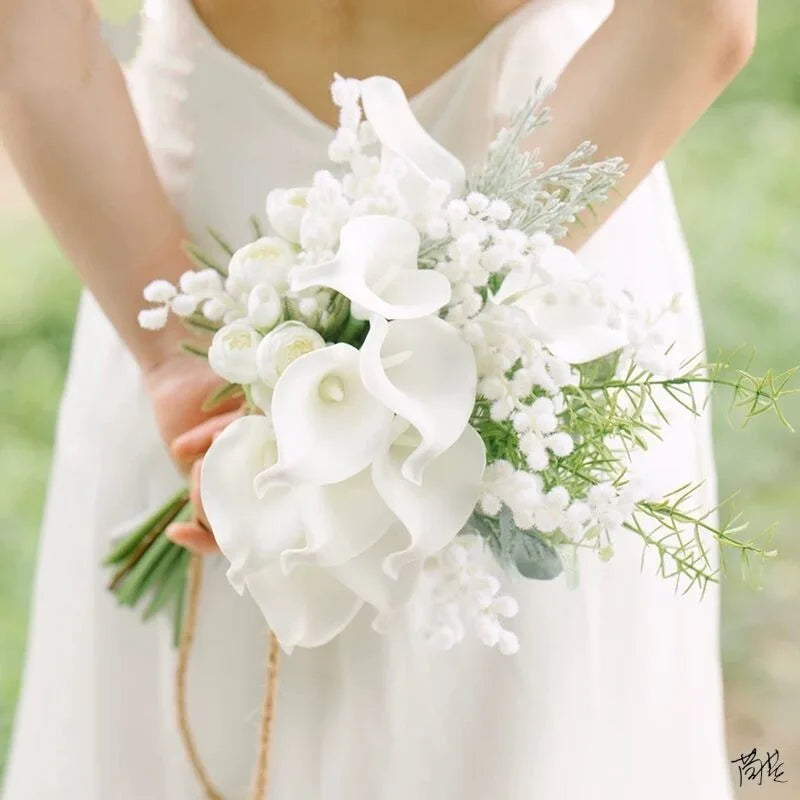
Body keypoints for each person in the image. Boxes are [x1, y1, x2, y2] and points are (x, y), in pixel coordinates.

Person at [1, 0, 757, 797]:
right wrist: (463, 301)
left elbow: (30, 32)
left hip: (181, 268)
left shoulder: (182, 336)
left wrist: (175, 359)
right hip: (539, 244)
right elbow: (700, 16)